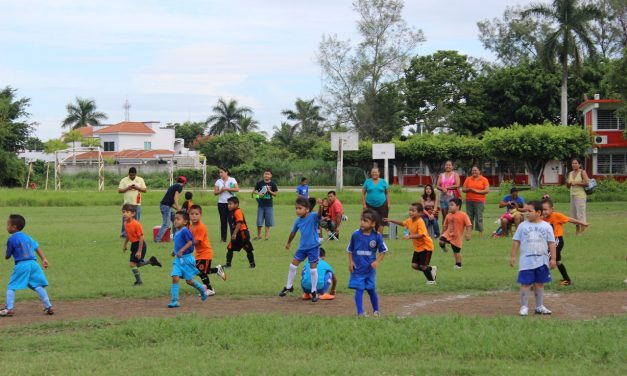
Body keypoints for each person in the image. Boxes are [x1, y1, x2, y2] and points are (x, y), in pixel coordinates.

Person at [0, 214, 54, 317]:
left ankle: (9, 308)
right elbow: (36, 247)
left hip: (22, 265)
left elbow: (7, 256)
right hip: (34, 264)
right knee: (38, 285)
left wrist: (7, 255)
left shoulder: (11, 239)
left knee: (11, 286)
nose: (7, 227)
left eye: (8, 224)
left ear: (14, 227)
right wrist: (44, 259)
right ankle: (49, 306)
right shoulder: (28, 237)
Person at [509, 201, 557, 316]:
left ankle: (539, 306)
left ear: (538, 212)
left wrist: (553, 258)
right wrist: (513, 256)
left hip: (542, 261)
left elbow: (551, 243)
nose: (527, 213)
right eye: (526, 211)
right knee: (525, 284)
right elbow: (516, 241)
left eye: (530, 211)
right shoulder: (522, 226)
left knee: (540, 283)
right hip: (527, 262)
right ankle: (524, 306)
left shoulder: (546, 226)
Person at [279, 197, 323, 302]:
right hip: (302, 248)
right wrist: (288, 243)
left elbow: (319, 215)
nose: (297, 210)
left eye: (300, 208)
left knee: (313, 269)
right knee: (292, 266)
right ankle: (289, 286)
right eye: (296, 208)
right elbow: (293, 233)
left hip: (313, 247)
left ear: (307, 209)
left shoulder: (313, 217)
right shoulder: (297, 221)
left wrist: (321, 206)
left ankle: (313, 291)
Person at [347, 209, 387, 317]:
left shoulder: (377, 236)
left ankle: (376, 310)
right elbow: (350, 250)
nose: (362, 223)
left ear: (373, 223)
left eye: (365, 221)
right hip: (358, 269)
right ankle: (360, 313)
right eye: (361, 220)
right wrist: (351, 262)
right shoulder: (355, 235)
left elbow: (383, 251)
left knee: (371, 290)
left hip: (369, 270)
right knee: (359, 289)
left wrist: (377, 262)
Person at [385, 203, 437, 285]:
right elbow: (403, 223)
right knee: (414, 265)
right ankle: (430, 269)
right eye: (410, 210)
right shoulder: (409, 220)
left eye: (413, 211)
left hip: (426, 247)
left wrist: (410, 236)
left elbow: (422, 234)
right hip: (418, 247)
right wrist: (391, 220)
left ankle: (431, 281)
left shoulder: (420, 221)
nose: (411, 212)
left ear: (420, 213)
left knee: (423, 266)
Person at [541, 199, 588, 286]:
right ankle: (567, 280)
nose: (544, 212)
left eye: (546, 209)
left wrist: (581, 222)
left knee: (545, 258)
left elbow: (569, 219)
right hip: (548, 243)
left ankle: (539, 281)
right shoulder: (541, 218)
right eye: (542, 209)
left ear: (552, 209)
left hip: (557, 240)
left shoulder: (557, 215)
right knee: (558, 262)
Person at [168, 211, 209, 308]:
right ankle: (175, 301)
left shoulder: (185, 230)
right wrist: (175, 251)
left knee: (189, 281)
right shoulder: (177, 232)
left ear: (185, 221)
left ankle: (202, 290)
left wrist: (181, 250)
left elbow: (190, 242)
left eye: (178, 219)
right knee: (175, 278)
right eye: (175, 219)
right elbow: (179, 244)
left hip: (187, 259)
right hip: (178, 260)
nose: (175, 221)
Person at [188, 205, 227, 295]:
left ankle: (209, 289)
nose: (194, 216)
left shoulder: (201, 227)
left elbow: (197, 241)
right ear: (189, 215)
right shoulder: (190, 226)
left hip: (205, 253)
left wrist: (186, 243)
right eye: (192, 214)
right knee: (203, 270)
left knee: (200, 271)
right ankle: (217, 270)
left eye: (196, 214)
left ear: (200, 215)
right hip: (199, 253)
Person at [122, 204, 162, 286]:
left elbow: (141, 238)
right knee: (137, 264)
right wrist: (125, 244)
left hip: (140, 245)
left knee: (132, 264)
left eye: (127, 212)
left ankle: (139, 282)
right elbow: (128, 235)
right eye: (123, 212)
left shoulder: (136, 224)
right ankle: (151, 261)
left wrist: (139, 251)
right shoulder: (125, 223)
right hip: (134, 245)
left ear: (133, 214)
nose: (125, 214)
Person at [439, 198, 472, 269]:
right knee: (441, 241)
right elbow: (445, 226)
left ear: (458, 206)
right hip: (448, 234)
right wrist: (442, 234)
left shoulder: (463, 215)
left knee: (456, 252)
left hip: (457, 237)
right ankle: (444, 248)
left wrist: (468, 234)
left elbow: (468, 225)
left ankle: (458, 265)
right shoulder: (448, 215)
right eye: (449, 205)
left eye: (452, 205)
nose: (449, 207)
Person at [225, 197, 256, 268]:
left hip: (242, 233)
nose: (229, 205)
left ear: (236, 204)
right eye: (228, 204)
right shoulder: (232, 212)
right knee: (230, 247)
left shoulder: (237, 211)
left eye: (230, 204)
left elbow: (239, 223)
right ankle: (228, 264)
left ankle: (252, 264)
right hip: (238, 234)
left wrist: (234, 233)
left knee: (248, 249)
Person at [155, 176, 187, 242]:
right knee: (166, 224)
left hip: (166, 206)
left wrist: (178, 209)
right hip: (166, 207)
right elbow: (175, 198)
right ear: (184, 183)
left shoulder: (174, 186)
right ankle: (157, 239)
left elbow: (170, 202)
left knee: (175, 220)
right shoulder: (179, 187)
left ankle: (175, 238)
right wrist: (178, 208)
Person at [118, 167, 147, 238]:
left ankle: (134, 233)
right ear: (128, 174)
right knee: (125, 219)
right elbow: (119, 190)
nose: (132, 177)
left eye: (133, 175)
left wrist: (137, 188)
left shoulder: (140, 180)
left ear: (136, 174)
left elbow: (145, 190)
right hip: (127, 204)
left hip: (137, 203)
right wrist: (128, 188)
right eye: (131, 175)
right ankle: (124, 234)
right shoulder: (124, 180)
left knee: (136, 220)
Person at [251, 169, 278, 240]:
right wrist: (259, 194)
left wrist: (269, 190)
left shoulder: (273, 184)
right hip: (260, 205)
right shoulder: (259, 183)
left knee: (268, 221)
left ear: (271, 175)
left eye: (268, 174)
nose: (266, 175)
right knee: (259, 221)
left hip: (269, 205)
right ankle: (259, 235)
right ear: (263, 175)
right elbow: (253, 191)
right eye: (265, 174)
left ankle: (266, 236)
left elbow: (275, 194)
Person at [462, 166, 490, 236]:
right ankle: (469, 232)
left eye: (475, 170)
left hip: (479, 201)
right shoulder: (468, 179)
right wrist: (469, 189)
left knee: (479, 217)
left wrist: (476, 191)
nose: (474, 172)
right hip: (469, 200)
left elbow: (486, 190)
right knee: (469, 217)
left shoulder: (484, 179)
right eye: (473, 170)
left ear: (479, 171)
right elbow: (463, 189)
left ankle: (480, 232)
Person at [361, 167, 390, 234]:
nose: (374, 173)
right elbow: (363, 194)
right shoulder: (367, 182)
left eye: (376, 172)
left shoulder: (383, 182)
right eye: (373, 172)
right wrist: (364, 204)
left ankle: (379, 237)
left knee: (382, 222)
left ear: (379, 173)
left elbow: (387, 194)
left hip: (382, 204)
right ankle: (371, 236)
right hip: (369, 205)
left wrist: (388, 203)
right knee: (370, 220)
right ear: (371, 173)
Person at [214, 167, 239, 242]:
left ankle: (233, 238)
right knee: (223, 222)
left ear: (226, 172)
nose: (220, 174)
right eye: (219, 172)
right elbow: (215, 193)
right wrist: (221, 190)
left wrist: (227, 189)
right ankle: (223, 239)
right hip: (221, 203)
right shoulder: (218, 181)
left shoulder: (232, 179)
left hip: (231, 204)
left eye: (222, 172)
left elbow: (237, 189)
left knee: (232, 221)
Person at [566, 158, 589, 235]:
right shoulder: (570, 173)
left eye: (576, 163)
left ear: (579, 164)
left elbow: (587, 183)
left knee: (580, 214)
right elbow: (568, 186)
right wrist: (568, 183)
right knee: (574, 214)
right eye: (573, 163)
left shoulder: (582, 172)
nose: (574, 165)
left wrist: (576, 183)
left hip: (580, 195)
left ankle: (582, 231)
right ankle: (577, 230)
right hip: (572, 195)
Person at [436, 160, 461, 227]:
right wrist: (442, 188)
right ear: (444, 166)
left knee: (452, 215)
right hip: (443, 198)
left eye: (449, 165)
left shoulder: (455, 175)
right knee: (444, 216)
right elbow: (437, 185)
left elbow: (457, 185)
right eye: (446, 165)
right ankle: (444, 233)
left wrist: (447, 188)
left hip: (452, 198)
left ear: (452, 166)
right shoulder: (441, 175)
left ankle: (452, 231)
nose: (448, 166)